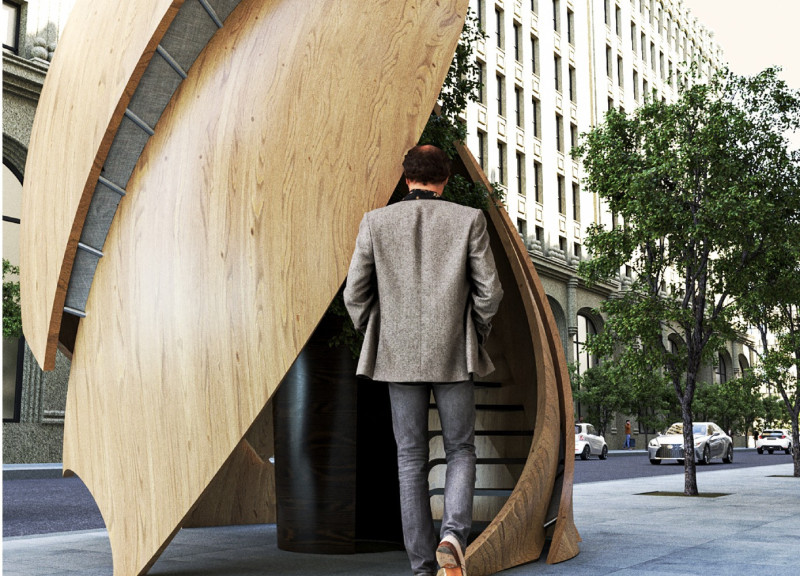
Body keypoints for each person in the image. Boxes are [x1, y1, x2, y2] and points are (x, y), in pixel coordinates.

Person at [344, 145, 503, 576]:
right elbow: (491, 292)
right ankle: (452, 537)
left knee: (410, 459)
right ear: (445, 179)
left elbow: (354, 295)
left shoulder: (376, 222)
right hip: (453, 352)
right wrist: (475, 333)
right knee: (461, 450)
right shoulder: (468, 220)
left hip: (398, 357)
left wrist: (379, 334)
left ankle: (421, 567)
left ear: (406, 177)